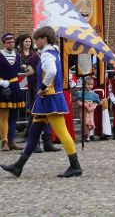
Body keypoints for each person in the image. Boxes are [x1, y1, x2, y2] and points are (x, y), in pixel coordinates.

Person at [2, 26, 82, 178]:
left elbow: (51, 71)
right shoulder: (54, 52)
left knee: (62, 132)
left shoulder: (46, 55)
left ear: (44, 39)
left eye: (37, 39)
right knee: (34, 133)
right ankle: (18, 166)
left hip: (50, 99)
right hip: (48, 99)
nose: (35, 42)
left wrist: (43, 87)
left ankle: (75, 166)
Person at [0, 33, 25, 151]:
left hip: (14, 86)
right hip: (2, 87)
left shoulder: (17, 55)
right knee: (4, 115)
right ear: (3, 43)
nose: (11, 44)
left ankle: (12, 141)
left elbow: (17, 70)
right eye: (8, 42)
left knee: (14, 116)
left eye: (12, 42)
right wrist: (1, 82)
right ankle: (4, 142)